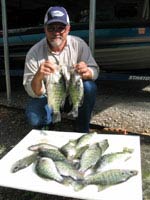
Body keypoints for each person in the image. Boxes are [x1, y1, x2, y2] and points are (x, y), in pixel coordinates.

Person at [23, 6, 99, 133]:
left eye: (61, 28)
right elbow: (33, 92)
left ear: (68, 29)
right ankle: (49, 122)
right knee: (34, 118)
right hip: (48, 97)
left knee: (90, 87)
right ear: (45, 30)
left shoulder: (79, 44)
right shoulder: (34, 53)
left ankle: (81, 127)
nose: (56, 32)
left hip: (72, 95)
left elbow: (95, 70)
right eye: (51, 28)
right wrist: (38, 76)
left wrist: (87, 72)